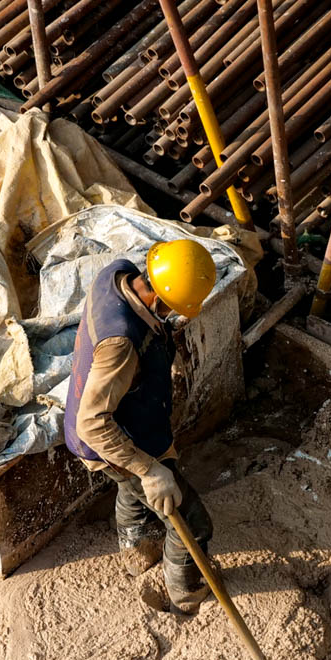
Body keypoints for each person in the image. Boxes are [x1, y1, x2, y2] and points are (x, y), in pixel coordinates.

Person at [64, 238, 217, 614]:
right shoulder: (120, 342)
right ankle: (187, 594)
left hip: (128, 415)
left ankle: (137, 554)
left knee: (132, 495)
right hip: (114, 439)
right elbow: (92, 423)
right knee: (190, 521)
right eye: (174, 309)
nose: (176, 315)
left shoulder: (117, 274)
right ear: (156, 298)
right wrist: (149, 470)